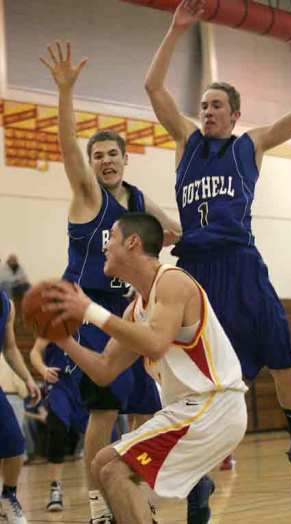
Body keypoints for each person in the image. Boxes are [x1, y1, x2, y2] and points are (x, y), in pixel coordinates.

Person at [144, 0, 291, 506]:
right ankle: (199, 473)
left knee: (282, 362)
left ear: (234, 114)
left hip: (242, 265)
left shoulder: (252, 145)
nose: (206, 111)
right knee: (202, 381)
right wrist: (176, 29)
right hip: (195, 273)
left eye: (215, 105)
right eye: (202, 105)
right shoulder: (186, 142)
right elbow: (154, 89)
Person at [40, 41, 178, 524]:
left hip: (133, 313)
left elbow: (175, 232)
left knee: (145, 415)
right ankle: (99, 508)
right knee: (104, 415)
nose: (104, 161)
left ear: (124, 158)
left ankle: (138, 503)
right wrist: (65, 93)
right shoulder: (86, 195)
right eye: (97, 155)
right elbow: (66, 148)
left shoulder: (139, 202)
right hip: (90, 314)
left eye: (111, 154)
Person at [42, 212, 248, 524]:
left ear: (133, 242)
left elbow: (155, 343)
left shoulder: (172, 282)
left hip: (213, 406)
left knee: (113, 469)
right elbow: (104, 370)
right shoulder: (135, 309)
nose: (105, 247)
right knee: (102, 464)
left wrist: (92, 312)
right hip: (188, 409)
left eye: (111, 238)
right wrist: (64, 341)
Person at [30, 337, 88, 512]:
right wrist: (42, 368)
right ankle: (56, 488)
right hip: (59, 383)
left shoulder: (93, 318)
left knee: (104, 436)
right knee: (57, 430)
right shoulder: (54, 320)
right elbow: (35, 351)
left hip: (86, 382)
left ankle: (103, 490)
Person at [0, 289, 40, 524]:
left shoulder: (6, 303)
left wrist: (27, 378)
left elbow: (10, 347)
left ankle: (8, 496)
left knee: (15, 444)